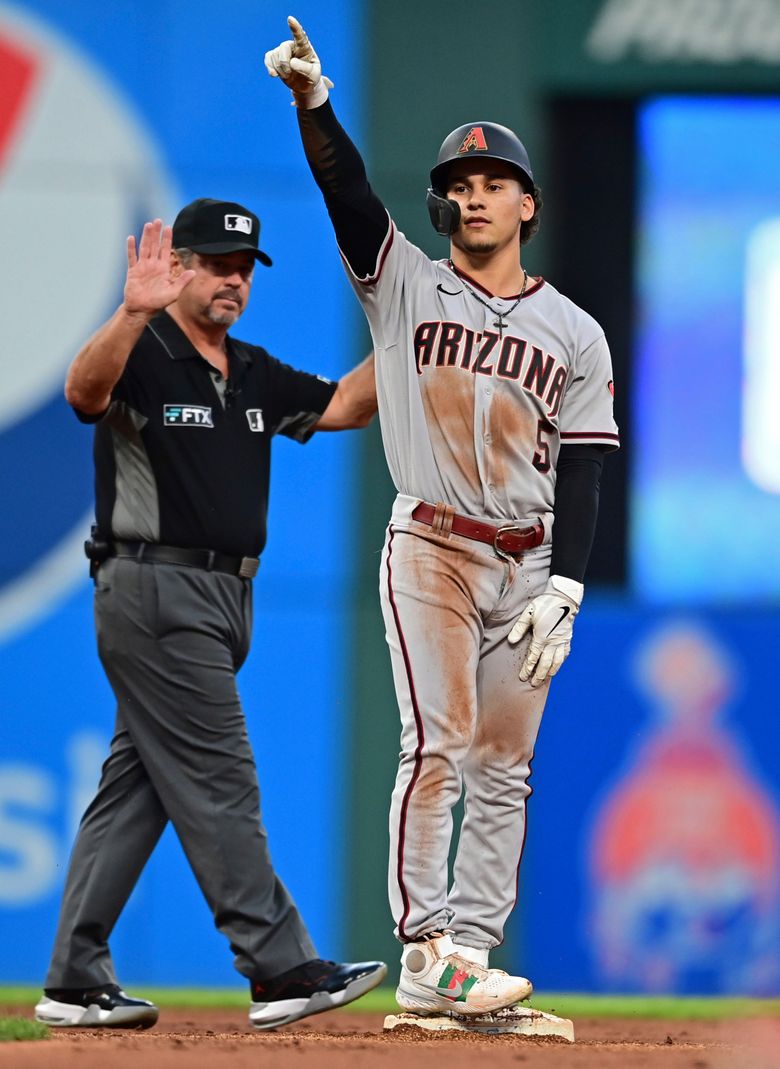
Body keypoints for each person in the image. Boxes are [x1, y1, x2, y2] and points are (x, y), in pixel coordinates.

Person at [265, 18, 620, 1018]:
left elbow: (589, 463)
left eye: (491, 181)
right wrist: (315, 107)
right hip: (432, 547)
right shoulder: (405, 287)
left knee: (505, 763)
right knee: (439, 742)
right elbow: (348, 198)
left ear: (528, 204)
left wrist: (568, 582)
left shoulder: (573, 331)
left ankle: (469, 956)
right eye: (458, 185)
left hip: (530, 559)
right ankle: (426, 950)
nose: (471, 194)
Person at [34, 198, 385, 1032]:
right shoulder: (144, 351)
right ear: (178, 267)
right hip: (156, 588)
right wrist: (129, 312)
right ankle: (279, 965)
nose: (232, 279)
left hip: (225, 598)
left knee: (137, 790)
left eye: (244, 268)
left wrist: (409, 331)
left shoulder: (252, 372)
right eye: (216, 263)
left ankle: (75, 978)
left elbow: (344, 404)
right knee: (222, 778)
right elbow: (83, 393)